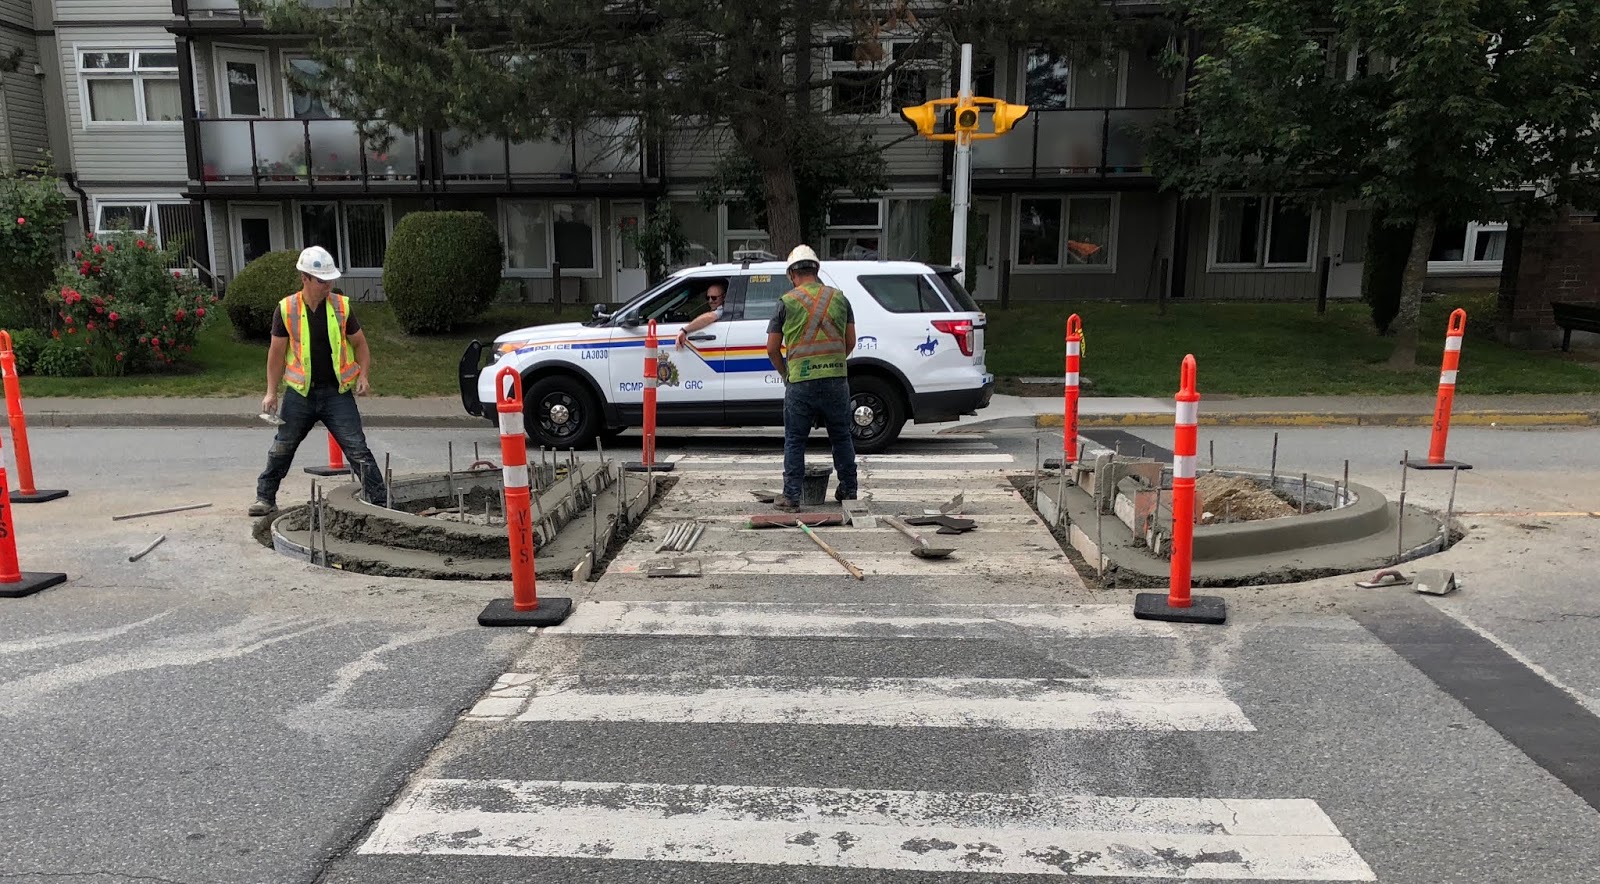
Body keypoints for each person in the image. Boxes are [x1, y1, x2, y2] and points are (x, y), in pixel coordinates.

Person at [248, 246, 386, 516]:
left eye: (330, 280)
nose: (328, 285)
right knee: (282, 446)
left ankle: (380, 502)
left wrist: (364, 376)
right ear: (305, 278)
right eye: (322, 280)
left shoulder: (341, 306)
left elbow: (360, 345)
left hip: (337, 393)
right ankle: (265, 498)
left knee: (357, 449)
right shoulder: (286, 309)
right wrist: (271, 393)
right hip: (300, 394)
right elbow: (276, 355)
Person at [765, 245, 858, 512]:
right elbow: (850, 342)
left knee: (795, 439)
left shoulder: (786, 302)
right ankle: (849, 491)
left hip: (800, 382)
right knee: (841, 437)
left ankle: (791, 496)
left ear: (792, 274)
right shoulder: (840, 299)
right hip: (835, 380)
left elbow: (772, 348)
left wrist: (787, 374)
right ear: (816, 271)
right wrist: (832, 362)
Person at [675, 281, 727, 350]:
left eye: (714, 298)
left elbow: (710, 317)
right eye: (708, 298)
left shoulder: (722, 310)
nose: (710, 301)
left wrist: (684, 330)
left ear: (724, 297)